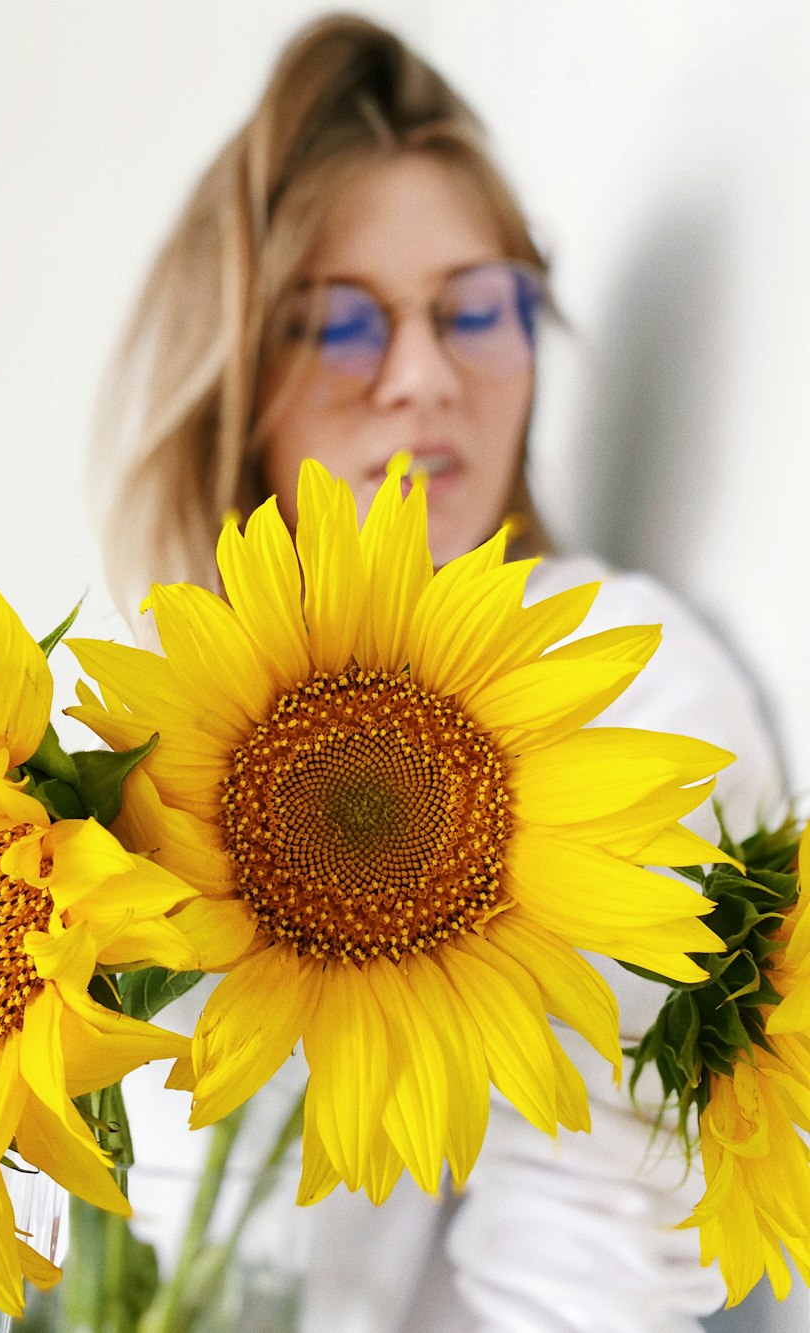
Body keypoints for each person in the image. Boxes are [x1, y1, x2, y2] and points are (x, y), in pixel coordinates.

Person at [90, 13, 791, 1333]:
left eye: (478, 307)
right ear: (231, 362)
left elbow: (595, 1277)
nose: (422, 379)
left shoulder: (613, 684)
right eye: (339, 325)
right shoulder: (147, 733)